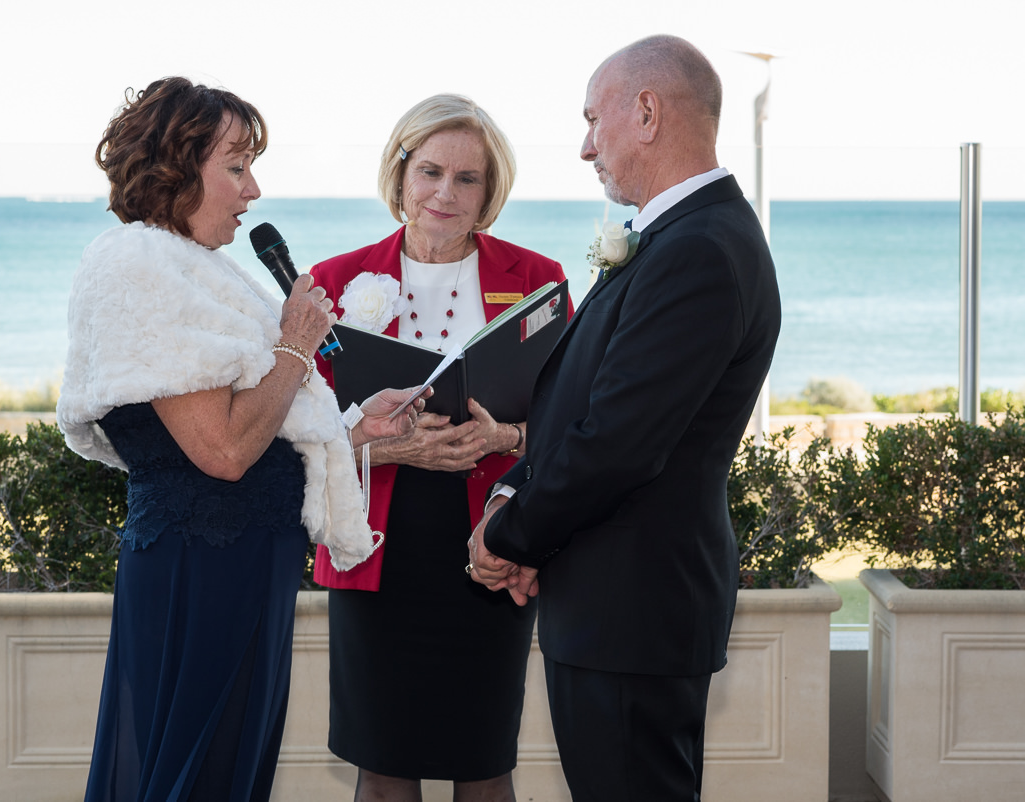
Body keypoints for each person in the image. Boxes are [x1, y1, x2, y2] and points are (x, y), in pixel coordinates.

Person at [56, 77, 426, 802]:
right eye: (236, 166)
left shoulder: (190, 266)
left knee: (226, 771)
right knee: (197, 774)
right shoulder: (143, 266)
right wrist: (296, 344)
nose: (252, 191)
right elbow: (222, 453)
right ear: (174, 164)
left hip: (241, 563)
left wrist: (352, 432)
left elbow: (258, 432)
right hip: (203, 572)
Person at [468, 36, 782, 801]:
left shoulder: (700, 250)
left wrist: (506, 535)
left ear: (647, 112)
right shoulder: (682, 237)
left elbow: (619, 444)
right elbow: (583, 406)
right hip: (618, 607)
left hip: (633, 614)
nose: (584, 147)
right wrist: (514, 492)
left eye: (591, 120)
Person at [309, 94, 569, 802]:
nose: (444, 194)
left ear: (491, 191)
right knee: (382, 763)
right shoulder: (332, 284)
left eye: (468, 179)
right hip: (376, 550)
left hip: (490, 544)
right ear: (399, 177)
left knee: (483, 762)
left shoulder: (538, 282)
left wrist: (505, 435)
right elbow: (299, 432)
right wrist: (389, 448)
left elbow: (578, 423)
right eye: (429, 171)